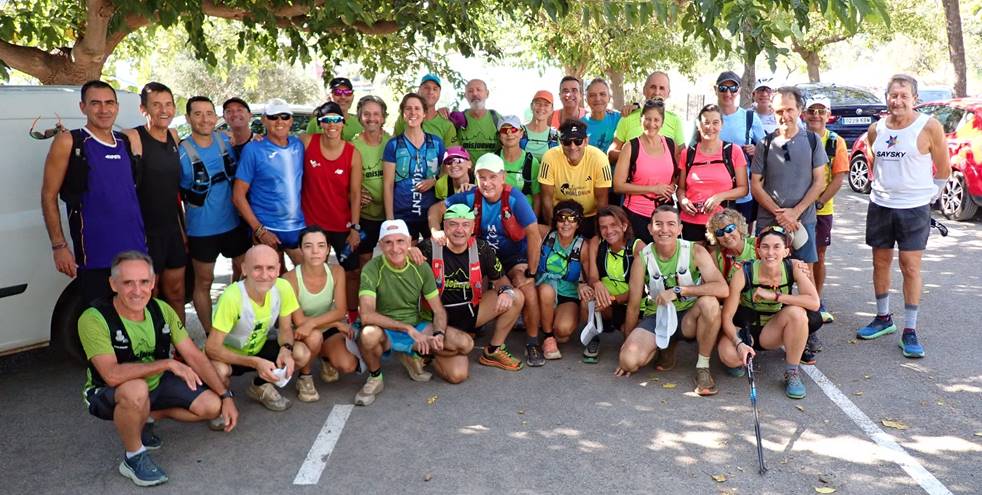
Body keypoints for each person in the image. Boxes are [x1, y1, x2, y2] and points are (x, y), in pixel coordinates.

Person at [78, 251, 237, 487]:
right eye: (128, 283)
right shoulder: (93, 318)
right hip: (107, 391)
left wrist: (226, 396)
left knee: (212, 406)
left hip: (156, 383)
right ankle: (134, 457)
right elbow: (111, 375)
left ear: (153, 282)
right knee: (136, 389)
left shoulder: (161, 309)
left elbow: (194, 355)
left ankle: (147, 416)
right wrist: (168, 363)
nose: (137, 290)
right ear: (113, 284)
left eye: (144, 282)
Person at [856, 74, 951, 358]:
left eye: (904, 96)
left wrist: (928, 197)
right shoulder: (876, 129)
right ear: (887, 98)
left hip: (914, 208)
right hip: (881, 205)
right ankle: (883, 318)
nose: (898, 101)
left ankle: (910, 330)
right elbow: (874, 162)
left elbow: (943, 169)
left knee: (910, 266)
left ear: (914, 99)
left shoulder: (929, 126)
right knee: (880, 262)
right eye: (893, 95)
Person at [430, 154, 545, 367]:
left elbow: (534, 235)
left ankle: (532, 341)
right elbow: (435, 210)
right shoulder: (470, 196)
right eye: (482, 177)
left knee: (526, 288)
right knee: (474, 284)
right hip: (483, 254)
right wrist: (435, 231)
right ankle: (474, 327)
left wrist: (531, 272)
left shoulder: (515, 198)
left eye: (492, 177)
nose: (487, 183)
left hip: (512, 255)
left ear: (503, 177)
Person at [41, 80, 147, 304]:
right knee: (99, 318)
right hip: (95, 255)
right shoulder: (70, 141)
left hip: (135, 252)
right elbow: (48, 196)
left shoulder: (125, 142)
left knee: (134, 317)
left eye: (109, 103)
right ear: (83, 107)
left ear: (117, 106)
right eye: (95, 103)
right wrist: (59, 246)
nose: (103, 109)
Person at [354, 219, 474, 406]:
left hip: (417, 327)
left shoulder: (420, 266)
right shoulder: (372, 268)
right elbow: (367, 315)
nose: (395, 248)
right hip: (385, 331)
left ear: (409, 241)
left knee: (465, 347)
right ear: (380, 245)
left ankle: (417, 355)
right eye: (388, 242)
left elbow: (438, 310)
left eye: (400, 241)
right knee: (368, 335)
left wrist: (438, 334)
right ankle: (375, 377)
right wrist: (407, 328)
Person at [615, 205, 729, 397]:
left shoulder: (695, 251)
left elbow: (722, 288)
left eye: (670, 224)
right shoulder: (642, 259)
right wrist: (627, 343)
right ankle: (665, 346)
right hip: (658, 317)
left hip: (689, 318)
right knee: (628, 361)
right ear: (650, 228)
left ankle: (703, 367)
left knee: (710, 303)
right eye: (658, 224)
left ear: (679, 228)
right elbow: (633, 307)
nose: (664, 229)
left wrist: (680, 290)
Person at [416, 204, 525, 371]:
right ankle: (431, 350)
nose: (459, 230)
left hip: (470, 313)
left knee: (516, 296)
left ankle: (493, 350)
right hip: (436, 318)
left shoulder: (482, 249)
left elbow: (501, 280)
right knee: (457, 374)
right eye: (453, 224)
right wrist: (409, 251)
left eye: (465, 224)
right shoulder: (428, 248)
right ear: (444, 226)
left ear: (473, 227)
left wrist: (505, 292)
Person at [718, 226, 820, 399]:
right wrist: (738, 343)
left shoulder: (794, 267)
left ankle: (792, 372)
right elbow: (726, 316)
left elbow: (814, 303)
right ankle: (741, 353)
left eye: (776, 247)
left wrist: (775, 296)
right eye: (765, 247)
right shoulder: (744, 272)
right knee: (729, 357)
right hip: (746, 328)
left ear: (786, 251)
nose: (770, 252)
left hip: (772, 331)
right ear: (758, 251)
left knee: (797, 313)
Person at [205, 245, 309, 413]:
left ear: (278, 269)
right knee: (219, 371)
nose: (265, 275)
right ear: (244, 269)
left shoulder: (283, 287)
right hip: (230, 355)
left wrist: (286, 349)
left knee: (301, 353)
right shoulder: (232, 297)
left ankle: (260, 385)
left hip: (259, 349)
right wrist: (254, 362)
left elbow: (285, 329)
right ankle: (222, 402)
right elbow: (212, 348)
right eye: (257, 268)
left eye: (270, 268)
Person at [179, 96, 251, 335]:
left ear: (216, 116)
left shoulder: (226, 141)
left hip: (233, 223)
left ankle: (233, 320)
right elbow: (173, 195)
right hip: (201, 229)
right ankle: (211, 335)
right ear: (188, 118)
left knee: (243, 273)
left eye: (209, 113)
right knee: (204, 282)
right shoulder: (181, 151)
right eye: (198, 114)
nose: (204, 119)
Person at [122, 82, 186, 321]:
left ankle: (180, 340)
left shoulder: (174, 136)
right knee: (150, 295)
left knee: (177, 293)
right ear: (143, 109)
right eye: (156, 105)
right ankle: (153, 341)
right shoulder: (132, 137)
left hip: (172, 230)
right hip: (145, 233)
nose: (164, 110)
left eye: (168, 104)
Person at [751, 86, 827, 267]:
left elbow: (819, 182)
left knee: (804, 273)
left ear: (799, 110)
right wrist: (781, 215)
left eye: (789, 110)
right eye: (779, 111)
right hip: (769, 221)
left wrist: (795, 213)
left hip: (803, 221)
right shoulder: (764, 144)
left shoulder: (813, 141)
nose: (785, 116)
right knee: (767, 274)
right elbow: (755, 185)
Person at [300, 101, 363, 312]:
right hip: (312, 224)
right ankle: (315, 317)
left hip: (341, 224)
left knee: (352, 271)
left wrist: (355, 228)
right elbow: (280, 145)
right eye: (326, 120)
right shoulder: (307, 142)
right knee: (314, 271)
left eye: (336, 120)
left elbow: (356, 193)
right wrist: (258, 138)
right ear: (320, 123)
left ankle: (352, 317)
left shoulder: (353, 153)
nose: (331, 125)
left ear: (343, 123)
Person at [281, 227, 359, 388]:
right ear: (301, 249)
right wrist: (335, 323)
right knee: (314, 336)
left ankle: (324, 356)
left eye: (321, 245)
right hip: (300, 332)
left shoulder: (337, 271)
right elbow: (300, 321)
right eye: (308, 246)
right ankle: (305, 375)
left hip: (324, 327)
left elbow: (340, 311)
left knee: (348, 365)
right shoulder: (289, 278)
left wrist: (324, 323)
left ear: (328, 249)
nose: (315, 251)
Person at [233, 98, 306, 264]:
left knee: (306, 276)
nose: (279, 121)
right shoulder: (253, 149)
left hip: (298, 227)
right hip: (267, 228)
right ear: (264, 120)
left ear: (291, 120)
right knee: (270, 277)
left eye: (285, 116)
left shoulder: (298, 145)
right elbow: (238, 196)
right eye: (273, 117)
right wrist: (259, 230)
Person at [803, 96, 849, 325]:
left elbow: (839, 178)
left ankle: (817, 300)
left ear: (828, 115)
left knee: (818, 256)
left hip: (821, 209)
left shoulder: (835, 142)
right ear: (804, 114)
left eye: (821, 111)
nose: (816, 115)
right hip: (796, 208)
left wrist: (819, 203)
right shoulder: (797, 138)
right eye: (812, 110)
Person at [677, 104, 749, 243]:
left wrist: (719, 197)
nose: (710, 127)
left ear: (722, 124)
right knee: (694, 257)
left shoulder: (733, 151)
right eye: (706, 122)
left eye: (715, 122)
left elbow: (743, 189)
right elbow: (681, 189)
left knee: (720, 257)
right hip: (691, 221)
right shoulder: (688, 153)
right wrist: (683, 200)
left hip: (722, 224)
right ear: (698, 125)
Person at [613, 99, 679, 244]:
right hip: (636, 214)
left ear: (662, 122)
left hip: (664, 214)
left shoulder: (670, 144)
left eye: (656, 120)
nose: (651, 124)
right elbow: (618, 186)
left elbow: (676, 175)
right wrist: (654, 189)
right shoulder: (630, 147)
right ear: (641, 120)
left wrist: (672, 186)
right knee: (640, 255)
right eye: (647, 119)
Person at [584, 206, 644, 362]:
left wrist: (613, 299)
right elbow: (592, 276)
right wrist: (596, 283)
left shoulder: (638, 247)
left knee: (632, 339)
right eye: (603, 227)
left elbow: (643, 289)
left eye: (613, 225)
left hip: (633, 304)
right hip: (608, 302)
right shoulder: (596, 242)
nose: (608, 231)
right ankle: (593, 337)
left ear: (624, 225)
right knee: (587, 297)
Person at [382, 93, 446, 241]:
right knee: (408, 254)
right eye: (408, 108)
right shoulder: (393, 145)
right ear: (403, 114)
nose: (413, 112)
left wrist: (434, 181)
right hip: (403, 213)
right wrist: (390, 220)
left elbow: (446, 173)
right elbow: (388, 184)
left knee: (432, 253)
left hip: (431, 213)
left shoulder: (436, 143)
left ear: (424, 113)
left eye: (417, 108)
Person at [536, 200, 593, 360]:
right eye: (561, 218)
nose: (566, 223)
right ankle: (548, 337)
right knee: (546, 291)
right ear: (555, 221)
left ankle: (549, 325)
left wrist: (583, 284)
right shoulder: (545, 234)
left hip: (568, 294)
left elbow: (590, 276)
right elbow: (522, 225)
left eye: (572, 219)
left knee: (562, 333)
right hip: (543, 291)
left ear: (578, 223)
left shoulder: (583, 246)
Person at [539, 119, 612, 239]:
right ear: (560, 142)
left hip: (589, 217)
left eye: (578, 141)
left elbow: (602, 201)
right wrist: (553, 229)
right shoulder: (549, 157)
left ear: (586, 141)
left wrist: (598, 234)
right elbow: (546, 199)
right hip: (560, 217)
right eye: (567, 142)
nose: (572, 147)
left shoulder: (600, 159)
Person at [713, 71, 766, 226]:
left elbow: (766, 150)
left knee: (742, 234)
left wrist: (755, 150)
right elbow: (693, 150)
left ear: (739, 90)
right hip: (714, 191)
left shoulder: (749, 117)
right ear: (715, 90)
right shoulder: (707, 118)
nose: (728, 93)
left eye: (733, 88)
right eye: (723, 88)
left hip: (743, 191)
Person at [351, 95, 392, 269]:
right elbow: (343, 181)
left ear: (383, 118)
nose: (371, 118)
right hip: (366, 215)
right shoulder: (353, 146)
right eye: (366, 114)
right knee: (364, 261)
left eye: (376, 114)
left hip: (391, 212)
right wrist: (352, 192)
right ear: (360, 117)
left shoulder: (392, 142)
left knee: (392, 259)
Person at [609, 71, 686, 163]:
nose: (657, 92)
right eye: (653, 87)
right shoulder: (627, 118)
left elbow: (683, 156)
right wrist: (634, 154)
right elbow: (611, 154)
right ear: (644, 90)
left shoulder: (675, 120)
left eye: (662, 88)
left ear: (668, 93)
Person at [394, 74, 458, 146]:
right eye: (426, 88)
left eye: (435, 89)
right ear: (419, 90)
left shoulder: (447, 125)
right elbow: (394, 144)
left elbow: (452, 152)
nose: (431, 92)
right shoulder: (405, 117)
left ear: (439, 93)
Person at [498, 114, 541, 212]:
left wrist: (534, 219)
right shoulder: (492, 160)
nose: (509, 134)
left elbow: (537, 197)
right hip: (498, 215)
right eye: (504, 130)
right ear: (499, 135)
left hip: (524, 215)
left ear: (521, 133)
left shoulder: (531, 162)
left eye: (513, 129)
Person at [454, 79, 502, 161]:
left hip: (492, 168)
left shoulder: (498, 119)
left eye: (479, 90)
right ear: (465, 96)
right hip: (465, 169)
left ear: (487, 94)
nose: (475, 94)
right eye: (470, 91)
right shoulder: (457, 120)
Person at [705, 209, 755, 282]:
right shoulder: (717, 256)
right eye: (719, 233)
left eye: (729, 228)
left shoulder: (758, 246)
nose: (726, 236)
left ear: (739, 227)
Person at [584, 78, 621, 155]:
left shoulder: (619, 118)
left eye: (602, 94)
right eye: (592, 95)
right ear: (586, 99)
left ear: (609, 98)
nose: (597, 99)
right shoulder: (580, 125)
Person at [523, 90, 560, 167]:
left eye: (546, 105)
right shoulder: (520, 132)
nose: (541, 108)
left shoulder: (555, 136)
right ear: (531, 106)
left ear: (552, 109)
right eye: (538, 103)